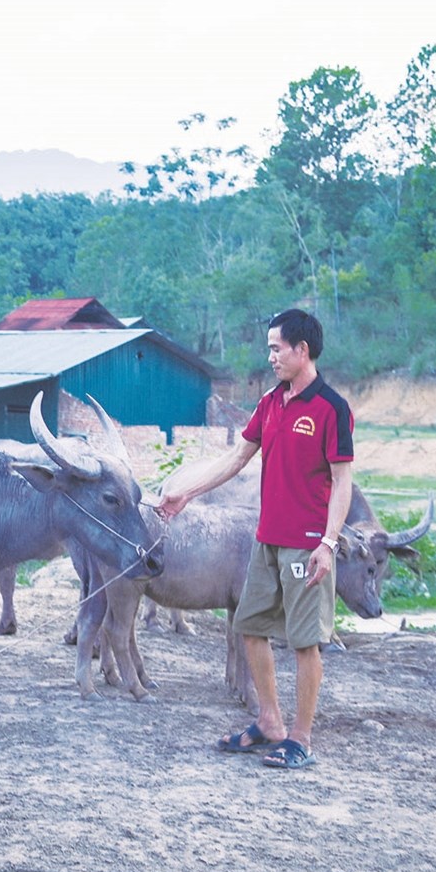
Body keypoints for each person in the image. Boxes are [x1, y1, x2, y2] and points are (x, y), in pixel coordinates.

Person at [158, 308, 353, 770]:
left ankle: (300, 737)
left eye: (276, 348)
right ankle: (270, 722)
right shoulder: (270, 403)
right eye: (269, 348)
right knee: (249, 627)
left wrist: (328, 542)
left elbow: (342, 482)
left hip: (308, 545)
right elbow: (236, 460)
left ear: (301, 350)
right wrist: (186, 492)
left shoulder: (331, 408)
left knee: (305, 642)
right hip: (266, 539)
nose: (271, 356)